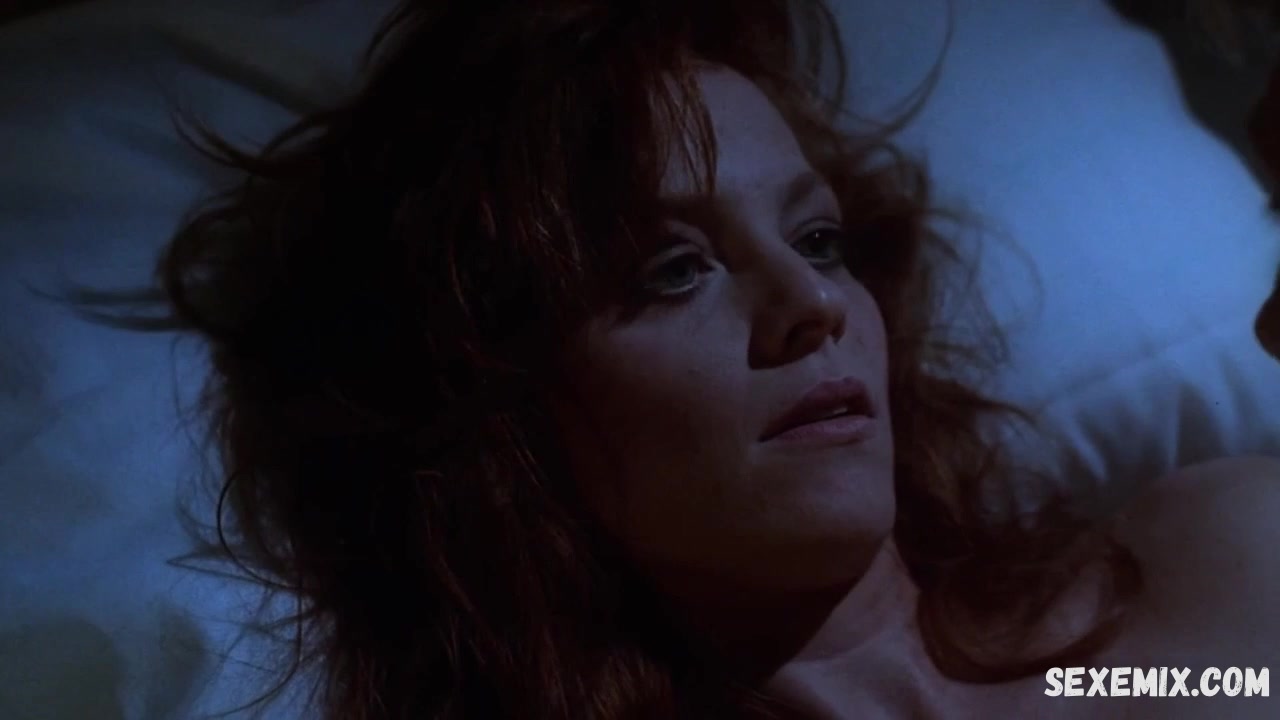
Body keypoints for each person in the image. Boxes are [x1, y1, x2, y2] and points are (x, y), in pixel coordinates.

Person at [94, 0, 1280, 717]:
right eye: (670, 271)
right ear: (497, 416)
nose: (810, 304)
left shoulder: (1202, 579)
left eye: (817, 240)